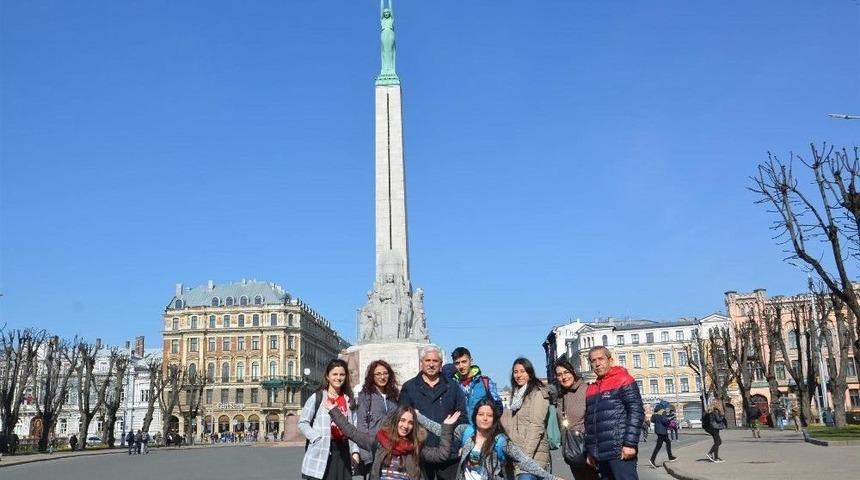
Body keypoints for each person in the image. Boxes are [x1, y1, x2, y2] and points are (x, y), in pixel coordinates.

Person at [419, 398, 562, 480]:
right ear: (475, 416)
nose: (485, 418)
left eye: (489, 415)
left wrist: (552, 478)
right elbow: (439, 430)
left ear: (494, 419)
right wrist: (417, 416)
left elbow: (525, 461)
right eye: (481, 414)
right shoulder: (466, 432)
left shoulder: (501, 441)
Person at [328, 401, 460, 479]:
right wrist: (334, 411)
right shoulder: (379, 441)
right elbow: (352, 433)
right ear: (396, 421)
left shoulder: (416, 448)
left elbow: (442, 455)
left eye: (410, 422)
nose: (405, 426)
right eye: (402, 420)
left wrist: (446, 428)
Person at [400, 345, 467, 480]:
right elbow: (402, 419)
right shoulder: (409, 387)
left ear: (441, 364)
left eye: (435, 361)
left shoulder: (452, 386)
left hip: (449, 455)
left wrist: (456, 444)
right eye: (427, 360)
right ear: (421, 363)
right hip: (420, 454)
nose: (431, 364)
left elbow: (462, 418)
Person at [584, 346, 644, 480]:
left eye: (601, 359)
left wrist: (630, 444)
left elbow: (636, 411)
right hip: (600, 454)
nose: (597, 363)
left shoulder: (624, 379)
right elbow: (589, 422)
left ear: (610, 360)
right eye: (593, 360)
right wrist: (590, 451)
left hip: (620, 451)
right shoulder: (592, 388)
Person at [299, 358, 359, 480]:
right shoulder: (318, 397)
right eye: (335, 374)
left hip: (343, 450)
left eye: (342, 374)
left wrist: (355, 452)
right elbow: (303, 422)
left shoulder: (348, 400)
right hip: (323, 449)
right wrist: (315, 438)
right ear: (327, 376)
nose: (338, 378)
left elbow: (354, 429)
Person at [501, 357, 550, 480]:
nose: (519, 375)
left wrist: (525, 458)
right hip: (518, 455)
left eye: (522, 371)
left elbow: (536, 426)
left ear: (530, 372)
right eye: (515, 372)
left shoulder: (537, 393)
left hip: (533, 455)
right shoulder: (517, 395)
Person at [553, 359, 599, 480]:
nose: (563, 377)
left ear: (573, 372)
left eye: (566, 372)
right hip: (572, 451)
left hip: (587, 450)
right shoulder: (560, 396)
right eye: (559, 374)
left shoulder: (586, 390)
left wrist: (592, 452)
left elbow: (594, 422)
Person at [355, 360, 401, 478]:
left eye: (385, 373)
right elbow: (362, 425)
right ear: (372, 376)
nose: (382, 377)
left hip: (392, 449)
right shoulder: (366, 395)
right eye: (378, 374)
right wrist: (366, 456)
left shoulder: (394, 395)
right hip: (373, 449)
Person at [451, 347, 503, 421]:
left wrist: (488, 425)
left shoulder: (485, 382)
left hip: (483, 430)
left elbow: (498, 407)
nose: (461, 366)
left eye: (464, 362)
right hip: (462, 430)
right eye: (457, 363)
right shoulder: (452, 385)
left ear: (471, 361)